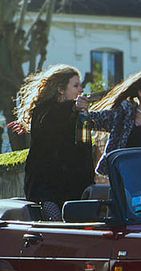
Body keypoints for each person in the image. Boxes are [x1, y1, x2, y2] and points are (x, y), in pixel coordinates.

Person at [6, 65, 96, 219]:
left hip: (75, 190)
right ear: (61, 89)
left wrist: (83, 115)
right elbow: (52, 121)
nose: (81, 89)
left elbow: (85, 147)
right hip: (46, 190)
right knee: (53, 224)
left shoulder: (78, 114)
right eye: (75, 85)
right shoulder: (43, 111)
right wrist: (73, 107)